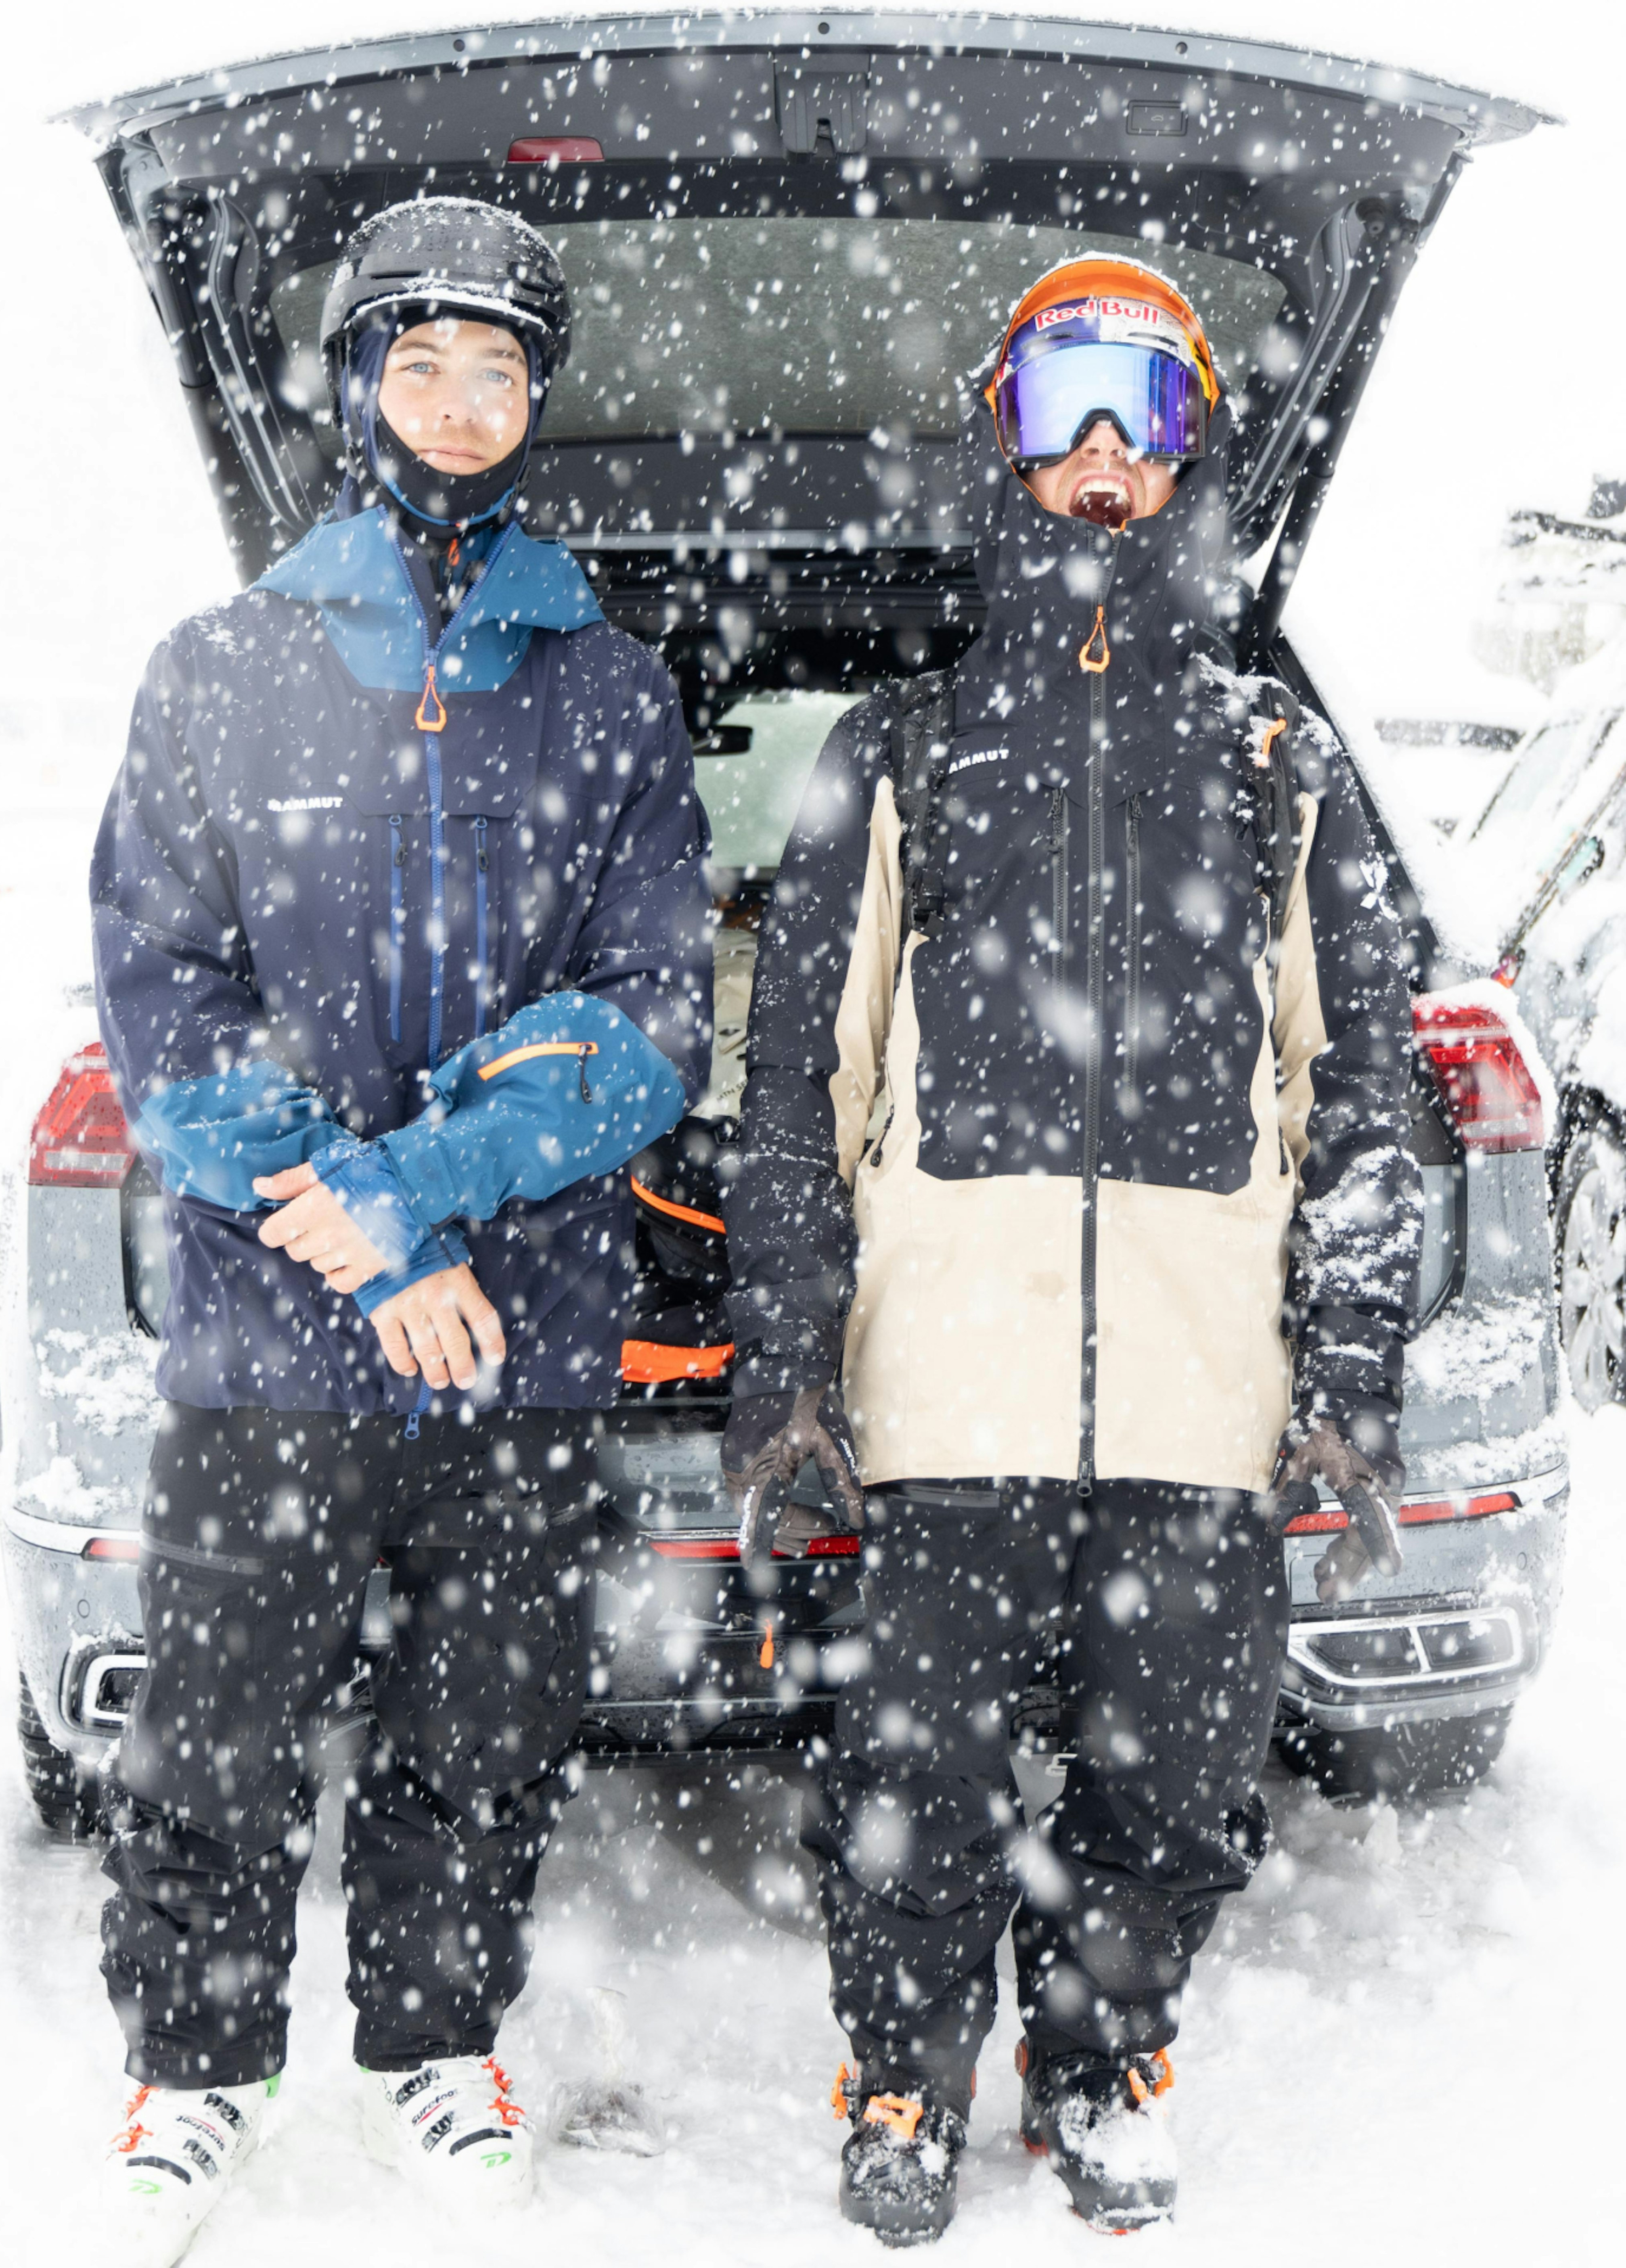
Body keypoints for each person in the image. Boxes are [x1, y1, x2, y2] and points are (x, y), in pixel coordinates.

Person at [720, 257, 1419, 2244]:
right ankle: (899, 2075)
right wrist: (783, 1348)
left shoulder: (1281, 766)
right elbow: (805, 1092)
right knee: (919, 1783)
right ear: (1003, 444)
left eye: (1141, 414)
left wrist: (1347, 1364)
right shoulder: (903, 752)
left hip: (1204, 1403)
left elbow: (1362, 1095)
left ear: (1192, 450)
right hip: (948, 1387)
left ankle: (1102, 2065)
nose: (1100, 460)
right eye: (1058, 412)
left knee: (1180, 1787)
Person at [91, 196, 712, 2263]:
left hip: (515, 1345)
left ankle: (428, 2042)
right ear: (355, 383)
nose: (460, 408)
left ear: (538, 405)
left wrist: (415, 1189)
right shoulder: (223, 671)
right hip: (278, 1343)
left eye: (500, 372)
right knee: (221, 1718)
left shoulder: (609, 693)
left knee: (484, 1713)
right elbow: (166, 998)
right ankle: (197, 2064)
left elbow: (650, 1025)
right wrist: (361, 1234)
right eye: (422, 364)